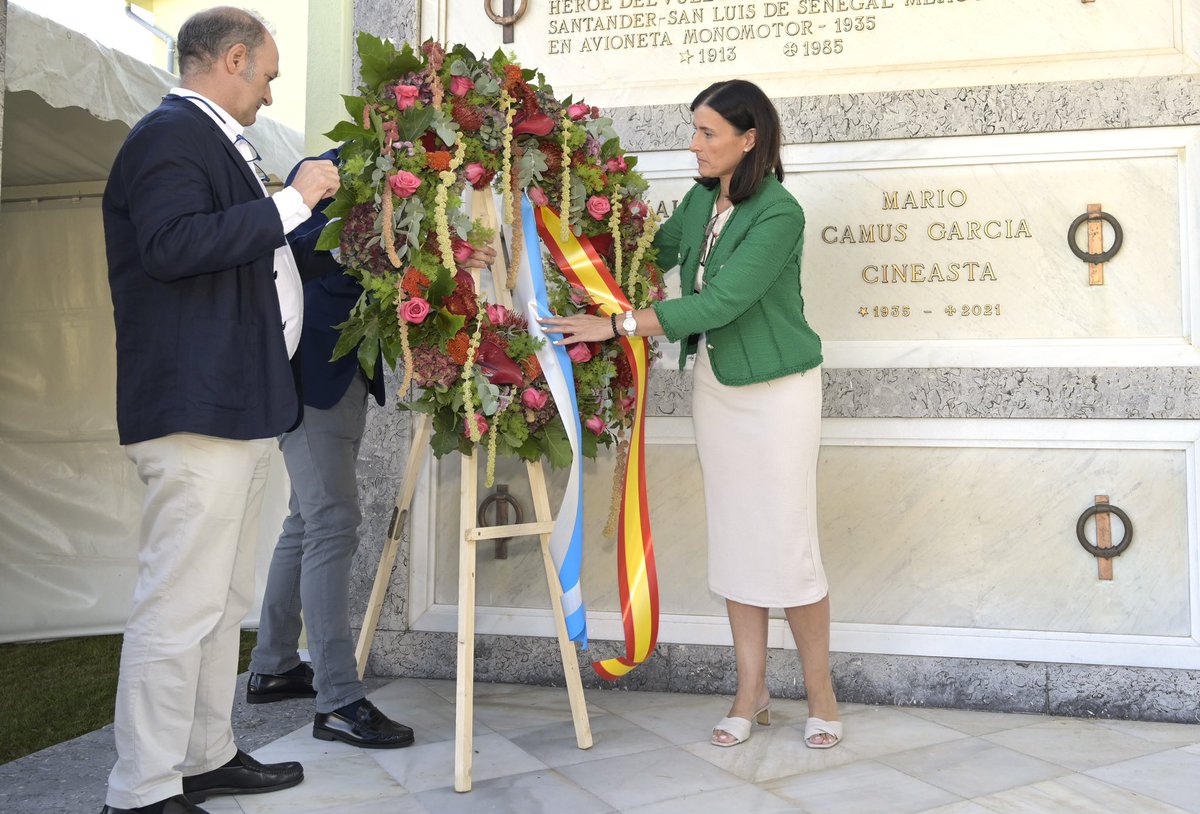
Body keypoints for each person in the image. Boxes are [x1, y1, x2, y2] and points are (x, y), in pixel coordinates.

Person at [539, 79, 841, 750]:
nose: (695, 144)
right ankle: (751, 691)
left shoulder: (780, 213)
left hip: (781, 393)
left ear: (749, 139)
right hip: (718, 389)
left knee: (787, 544)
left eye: (708, 133)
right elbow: (649, 253)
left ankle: (822, 696)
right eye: (695, 129)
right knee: (736, 539)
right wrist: (553, 218)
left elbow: (720, 303)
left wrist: (613, 325)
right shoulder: (705, 198)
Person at [100, 7, 340, 813]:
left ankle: (203, 756)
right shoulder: (169, 135)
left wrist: (319, 211)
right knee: (177, 605)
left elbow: (246, 253)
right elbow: (173, 245)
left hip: (240, 407)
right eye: (267, 75)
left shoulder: (212, 143)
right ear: (233, 59)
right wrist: (289, 200)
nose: (270, 93)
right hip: (195, 407)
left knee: (223, 603)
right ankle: (140, 788)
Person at [243, 150, 410, 748]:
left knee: (306, 518)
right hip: (311, 371)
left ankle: (274, 664)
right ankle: (338, 699)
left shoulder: (403, 179)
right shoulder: (332, 170)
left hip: (339, 375)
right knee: (334, 521)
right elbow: (302, 247)